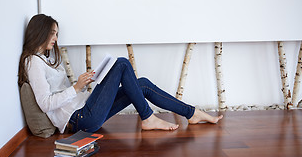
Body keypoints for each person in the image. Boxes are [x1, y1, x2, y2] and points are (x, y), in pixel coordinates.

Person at [18, 14, 223, 134]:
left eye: (56, 33)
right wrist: (77, 87)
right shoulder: (32, 62)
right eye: (52, 33)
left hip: (86, 107)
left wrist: (85, 83)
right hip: (80, 119)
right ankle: (148, 118)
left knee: (141, 84)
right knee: (122, 64)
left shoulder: (45, 59)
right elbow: (45, 104)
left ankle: (191, 113)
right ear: (40, 32)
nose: (55, 38)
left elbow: (64, 91)